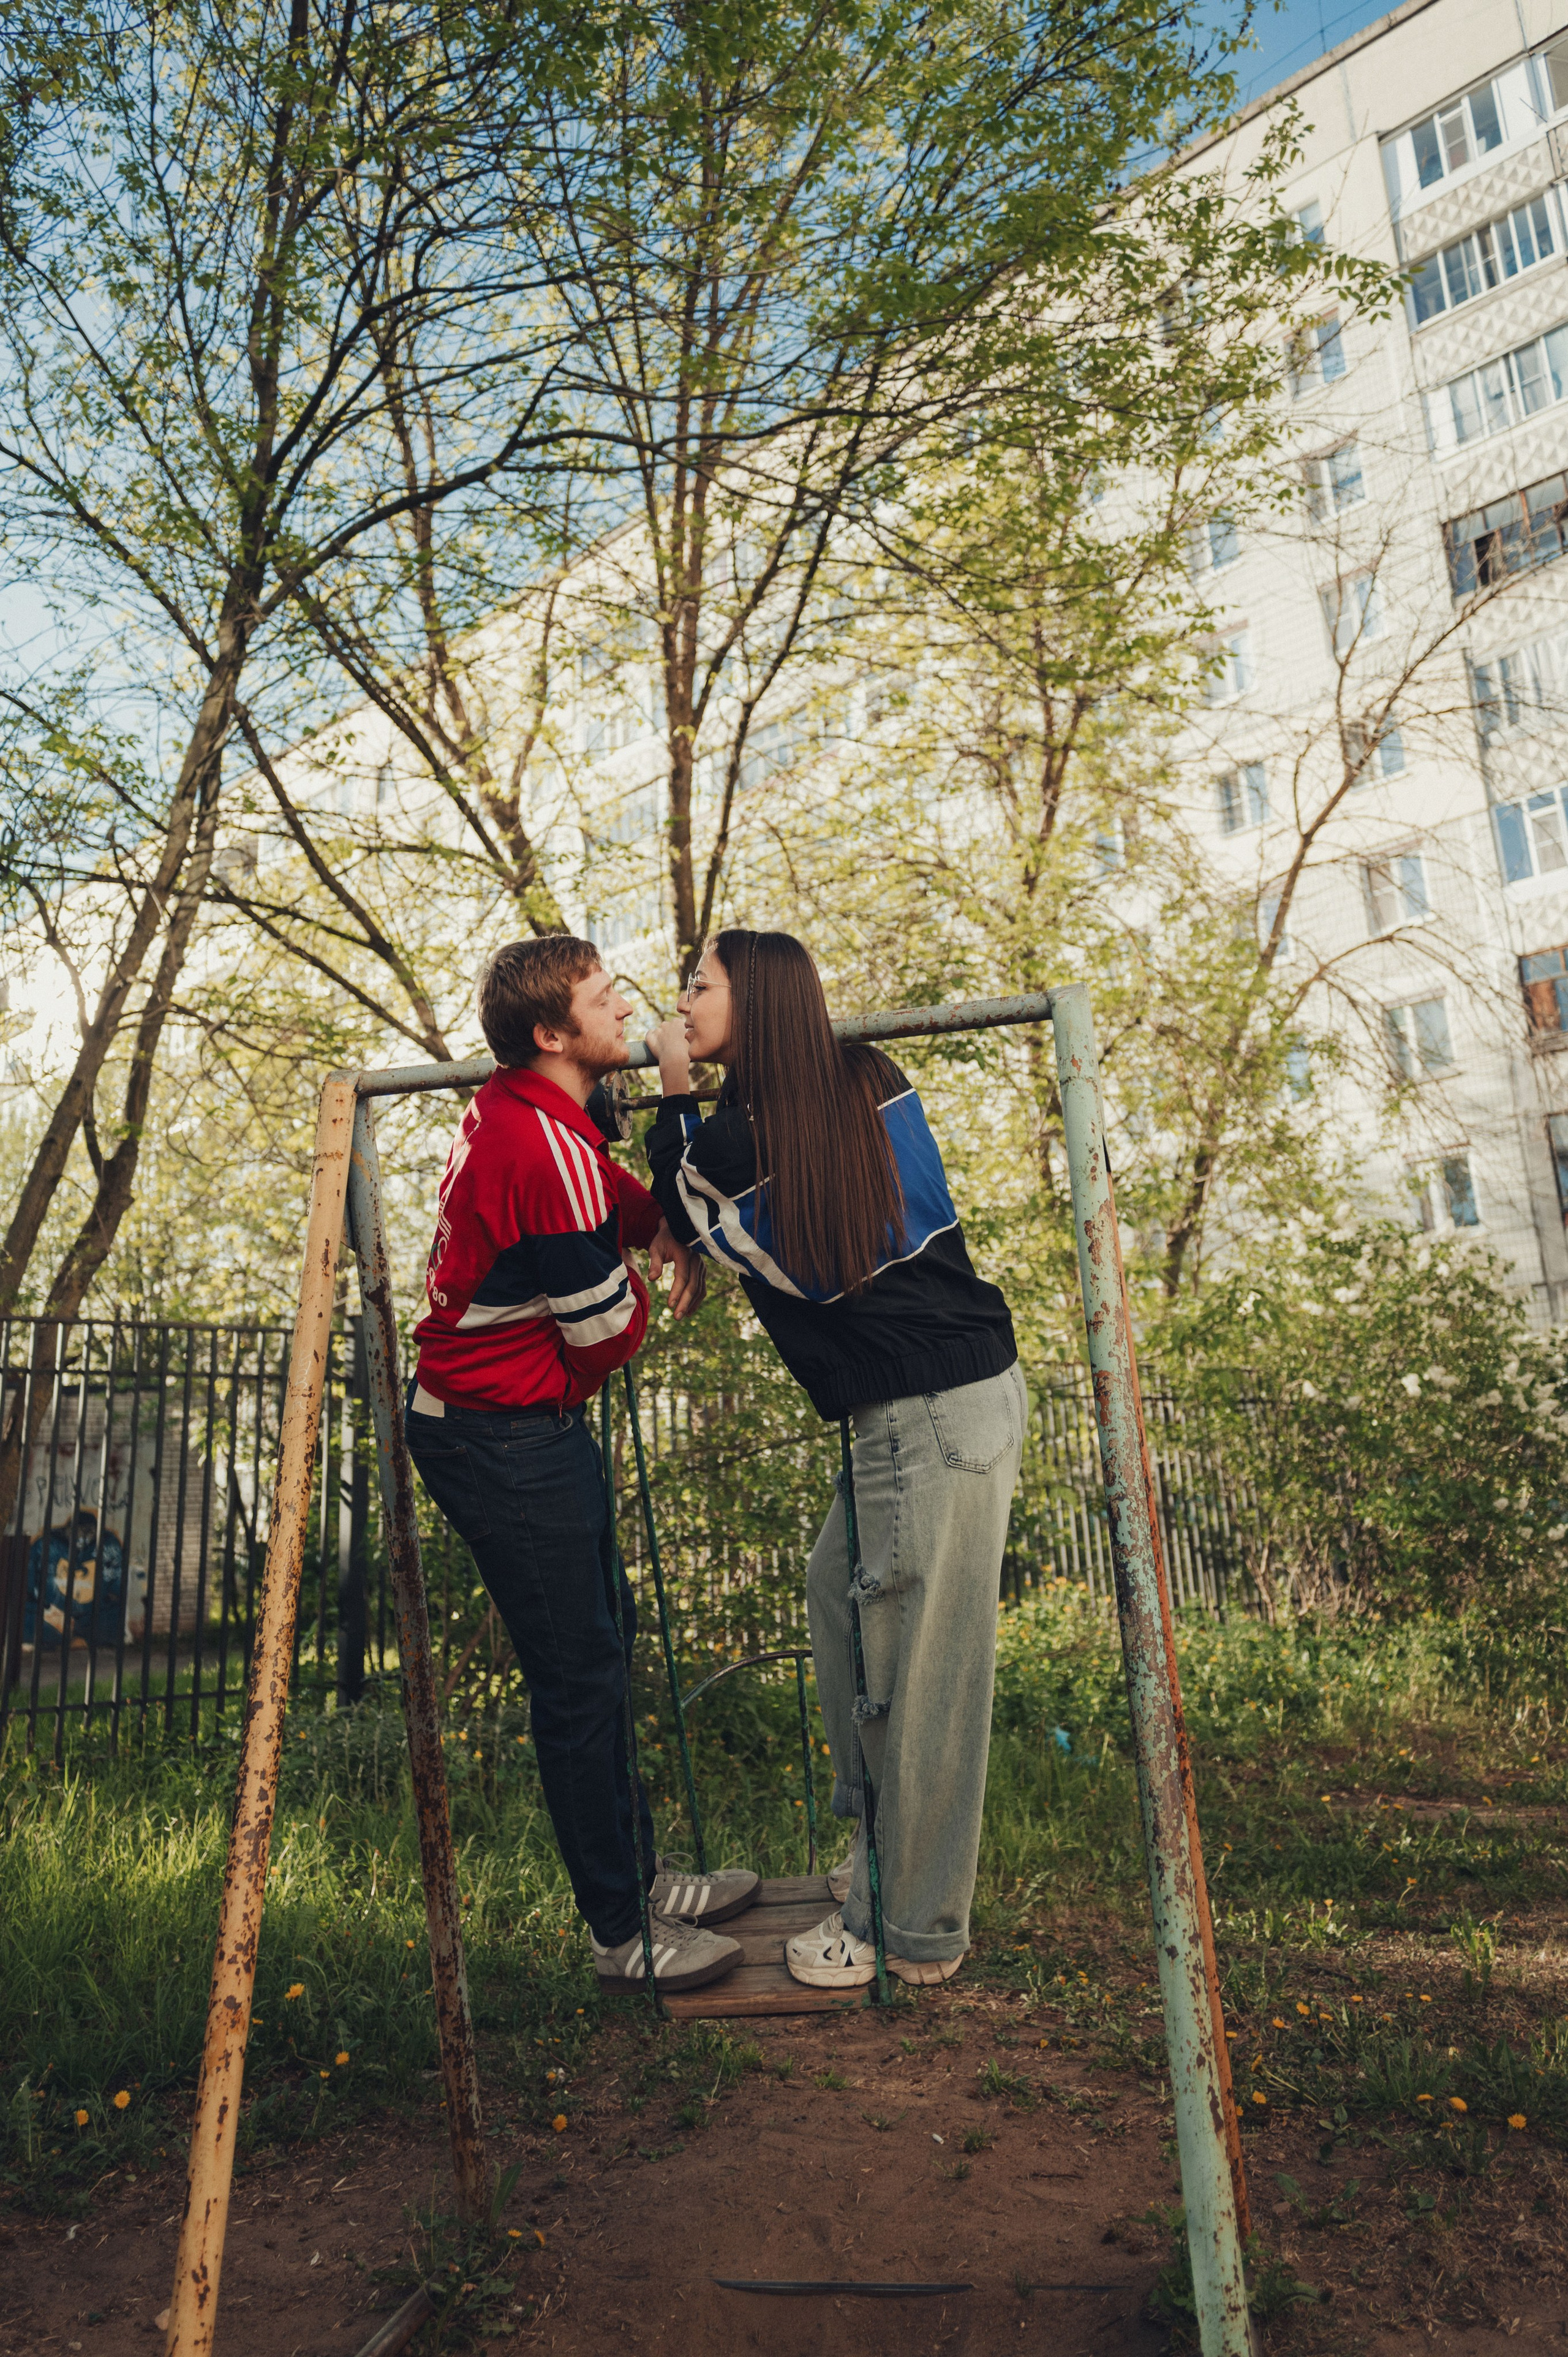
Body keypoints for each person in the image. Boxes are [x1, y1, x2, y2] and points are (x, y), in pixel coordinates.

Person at [645, 930, 1025, 1990]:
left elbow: (696, 1203)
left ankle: (902, 1932)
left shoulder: (750, 1133)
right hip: (932, 1401)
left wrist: (676, 1090)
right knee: (838, 1604)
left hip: (929, 1413)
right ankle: (877, 1855)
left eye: (699, 984)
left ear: (755, 1001)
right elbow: (726, 1211)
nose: (679, 1000)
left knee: (923, 1683)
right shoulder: (855, 1082)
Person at [407, 937, 759, 1994]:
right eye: (606, 999)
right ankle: (621, 1933)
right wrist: (656, 1269)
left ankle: (642, 1881)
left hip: (523, 1426)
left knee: (603, 1652)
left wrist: (656, 1225)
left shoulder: (528, 1111)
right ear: (553, 1035)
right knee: (576, 1680)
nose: (630, 1008)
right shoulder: (539, 1151)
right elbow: (604, 1337)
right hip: (496, 1438)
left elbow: (604, 1186)